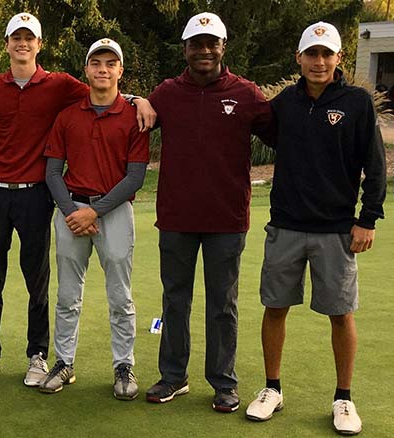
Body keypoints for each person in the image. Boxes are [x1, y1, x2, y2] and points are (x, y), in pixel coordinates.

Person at [0, 12, 156, 387]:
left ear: (40, 45)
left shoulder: (59, 86)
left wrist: (138, 98)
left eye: (29, 38)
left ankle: (50, 356)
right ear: (7, 44)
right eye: (16, 37)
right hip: (1, 192)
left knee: (47, 281)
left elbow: (108, 97)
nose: (22, 43)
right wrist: (74, 210)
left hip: (47, 198)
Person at [245, 22, 386, 435]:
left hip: (337, 230)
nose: (319, 61)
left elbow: (374, 166)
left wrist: (368, 219)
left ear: (338, 58)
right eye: (312, 54)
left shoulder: (357, 102)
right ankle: (273, 388)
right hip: (285, 225)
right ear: (299, 58)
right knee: (275, 307)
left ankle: (344, 398)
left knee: (340, 315)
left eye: (327, 54)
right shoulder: (284, 103)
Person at [144, 12, 272, 412]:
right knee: (174, 301)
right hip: (177, 217)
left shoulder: (247, 93)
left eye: (211, 43)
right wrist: (136, 100)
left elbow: (291, 138)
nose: (204, 50)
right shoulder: (166, 93)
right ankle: (173, 376)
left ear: (222, 47)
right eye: (196, 44)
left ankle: (223, 382)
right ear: (184, 49)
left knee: (223, 305)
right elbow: (130, 116)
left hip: (226, 220)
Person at [40, 38, 149, 400]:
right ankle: (64, 362)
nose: (103, 69)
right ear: (86, 69)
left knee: (120, 297)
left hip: (114, 212)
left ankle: (123, 366)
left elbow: (135, 176)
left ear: (120, 70)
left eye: (110, 63)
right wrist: (74, 212)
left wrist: (95, 211)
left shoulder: (134, 116)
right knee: (68, 296)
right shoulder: (68, 116)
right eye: (96, 63)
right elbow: (53, 172)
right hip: (71, 211)